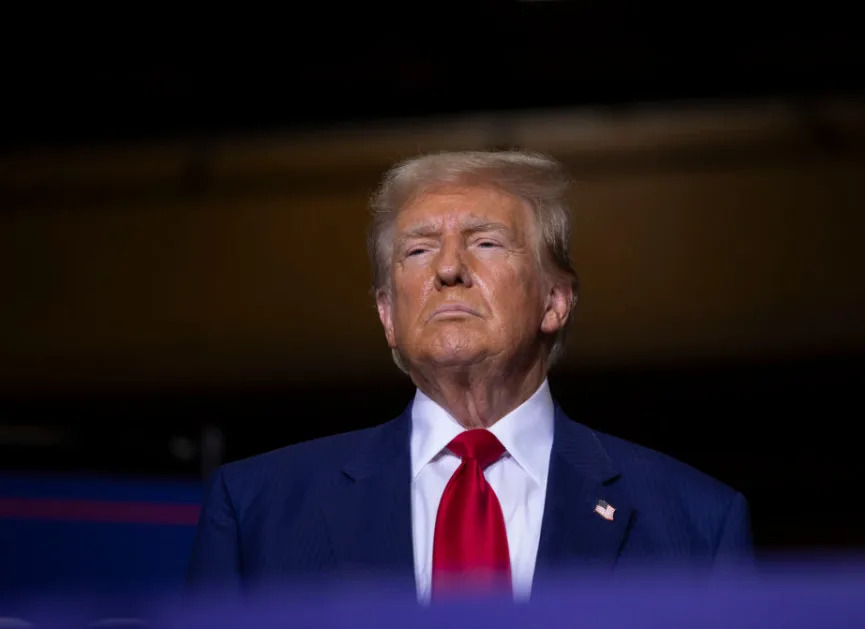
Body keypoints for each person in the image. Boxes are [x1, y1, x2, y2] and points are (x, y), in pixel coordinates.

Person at [186, 150, 752, 603]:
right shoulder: (257, 511)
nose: (449, 268)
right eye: (418, 250)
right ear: (387, 314)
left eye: (484, 242)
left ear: (554, 301)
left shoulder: (695, 525)